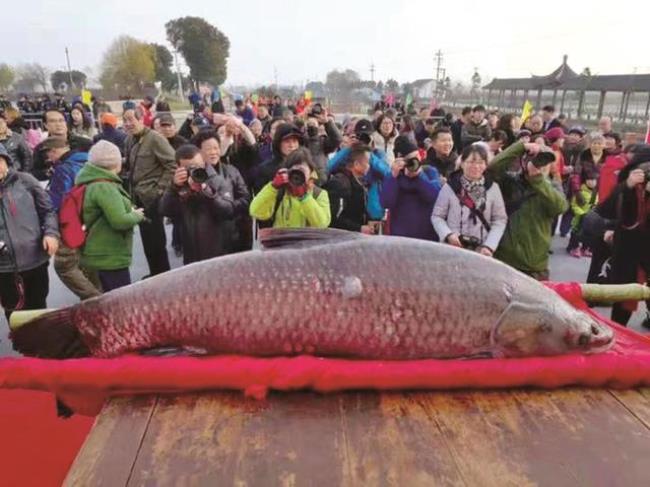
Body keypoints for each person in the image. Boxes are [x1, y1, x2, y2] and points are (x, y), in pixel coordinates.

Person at [488, 141, 568, 280]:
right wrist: (521, 146)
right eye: (536, 160)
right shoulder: (510, 182)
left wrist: (537, 180)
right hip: (504, 259)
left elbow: (560, 207)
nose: (540, 166)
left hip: (533, 264)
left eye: (544, 162)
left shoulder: (552, 186)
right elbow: (492, 168)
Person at [161, 143, 250, 263]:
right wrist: (174, 187)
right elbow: (164, 210)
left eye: (197, 166)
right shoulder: (177, 185)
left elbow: (228, 211)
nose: (194, 170)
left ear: (203, 162)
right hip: (191, 252)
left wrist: (206, 192)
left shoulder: (217, 180)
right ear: (179, 167)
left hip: (219, 250)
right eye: (188, 168)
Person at [74, 141, 145, 292]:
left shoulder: (89, 182)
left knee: (103, 298)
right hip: (109, 256)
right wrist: (136, 215)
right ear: (116, 163)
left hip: (95, 252)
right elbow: (119, 221)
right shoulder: (105, 187)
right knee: (119, 302)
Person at [0, 145, 59, 321]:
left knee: (39, 307)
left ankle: (42, 346)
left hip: (35, 260)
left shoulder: (26, 181)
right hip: (4, 267)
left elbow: (48, 211)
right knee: (14, 312)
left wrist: (51, 233)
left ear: (6, 161)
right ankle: (23, 345)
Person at [42, 137, 101, 299]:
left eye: (48, 154)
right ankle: (99, 297)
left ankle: (95, 300)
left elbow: (58, 201)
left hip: (72, 223)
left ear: (53, 151)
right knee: (87, 262)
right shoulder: (88, 161)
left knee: (64, 266)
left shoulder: (63, 170)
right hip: (92, 219)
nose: (49, 158)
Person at [595, 154, 650, 326]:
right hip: (628, 249)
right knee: (625, 294)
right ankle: (618, 330)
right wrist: (628, 186)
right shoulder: (625, 188)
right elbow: (606, 211)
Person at [123, 107, 176, 277]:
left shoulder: (155, 139)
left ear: (141, 119)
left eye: (131, 119)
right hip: (138, 197)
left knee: (157, 241)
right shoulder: (129, 140)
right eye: (125, 120)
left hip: (152, 198)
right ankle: (154, 273)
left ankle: (163, 276)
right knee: (147, 240)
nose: (128, 124)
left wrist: (159, 189)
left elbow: (172, 164)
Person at [432, 144, 507, 255]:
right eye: (471, 162)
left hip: (481, 250)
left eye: (480, 162)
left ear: (486, 165)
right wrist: (448, 235)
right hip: (453, 248)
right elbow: (437, 216)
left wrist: (489, 246)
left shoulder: (493, 187)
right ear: (462, 163)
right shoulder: (451, 187)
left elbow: (499, 220)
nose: (476, 166)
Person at [250, 147, 330, 229]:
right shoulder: (280, 192)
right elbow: (256, 212)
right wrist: (273, 187)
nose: (297, 174)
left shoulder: (318, 194)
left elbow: (322, 224)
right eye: (293, 170)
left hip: (307, 241)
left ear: (311, 171)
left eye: (301, 170)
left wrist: (304, 197)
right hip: (281, 240)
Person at [327, 119, 391, 222]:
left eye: (367, 136)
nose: (363, 140)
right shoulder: (349, 154)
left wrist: (369, 155)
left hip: (373, 211)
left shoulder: (379, 154)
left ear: (372, 137)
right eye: (361, 136)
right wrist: (347, 148)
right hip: (353, 210)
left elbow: (387, 173)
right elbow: (328, 167)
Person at [381, 136, 441, 240]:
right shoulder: (393, 177)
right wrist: (393, 177)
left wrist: (420, 176)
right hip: (401, 237)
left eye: (417, 157)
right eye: (410, 160)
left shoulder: (429, 172)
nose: (415, 162)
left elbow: (434, 197)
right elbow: (386, 203)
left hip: (428, 235)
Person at [31, 109, 92, 181]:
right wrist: (50, 172)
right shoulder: (41, 148)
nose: (58, 124)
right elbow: (34, 173)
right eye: (52, 121)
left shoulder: (85, 143)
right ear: (45, 125)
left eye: (61, 120)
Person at [325, 143, 373, 233]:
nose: (370, 166)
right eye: (368, 162)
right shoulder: (340, 184)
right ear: (356, 164)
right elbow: (334, 218)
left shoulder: (360, 182)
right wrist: (358, 228)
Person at [253, 123, 303, 194]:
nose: (291, 145)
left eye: (294, 141)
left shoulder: (306, 166)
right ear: (278, 144)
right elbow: (259, 199)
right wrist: (274, 187)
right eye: (287, 141)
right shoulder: (265, 169)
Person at [304, 106, 342, 184]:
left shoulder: (323, 142)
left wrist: (327, 122)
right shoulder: (300, 138)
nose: (312, 124)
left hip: (321, 182)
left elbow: (337, 139)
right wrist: (301, 119)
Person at [567, 170, 599, 258]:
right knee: (576, 233)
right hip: (580, 218)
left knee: (588, 234)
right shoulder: (580, 192)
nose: (592, 182)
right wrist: (582, 214)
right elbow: (574, 205)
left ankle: (585, 248)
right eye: (590, 180)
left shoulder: (596, 193)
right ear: (585, 181)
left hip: (590, 219)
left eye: (594, 180)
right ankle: (573, 248)